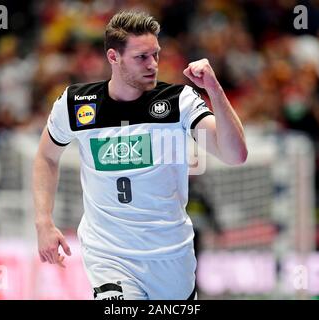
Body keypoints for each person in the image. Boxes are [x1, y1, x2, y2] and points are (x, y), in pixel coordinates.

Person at [33, 10, 247, 300]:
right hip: (108, 253)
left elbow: (235, 154)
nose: (153, 65)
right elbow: (47, 157)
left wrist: (214, 89)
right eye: (141, 57)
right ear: (113, 57)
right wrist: (44, 222)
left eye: (155, 55)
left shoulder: (177, 102)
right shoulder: (77, 103)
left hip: (170, 254)